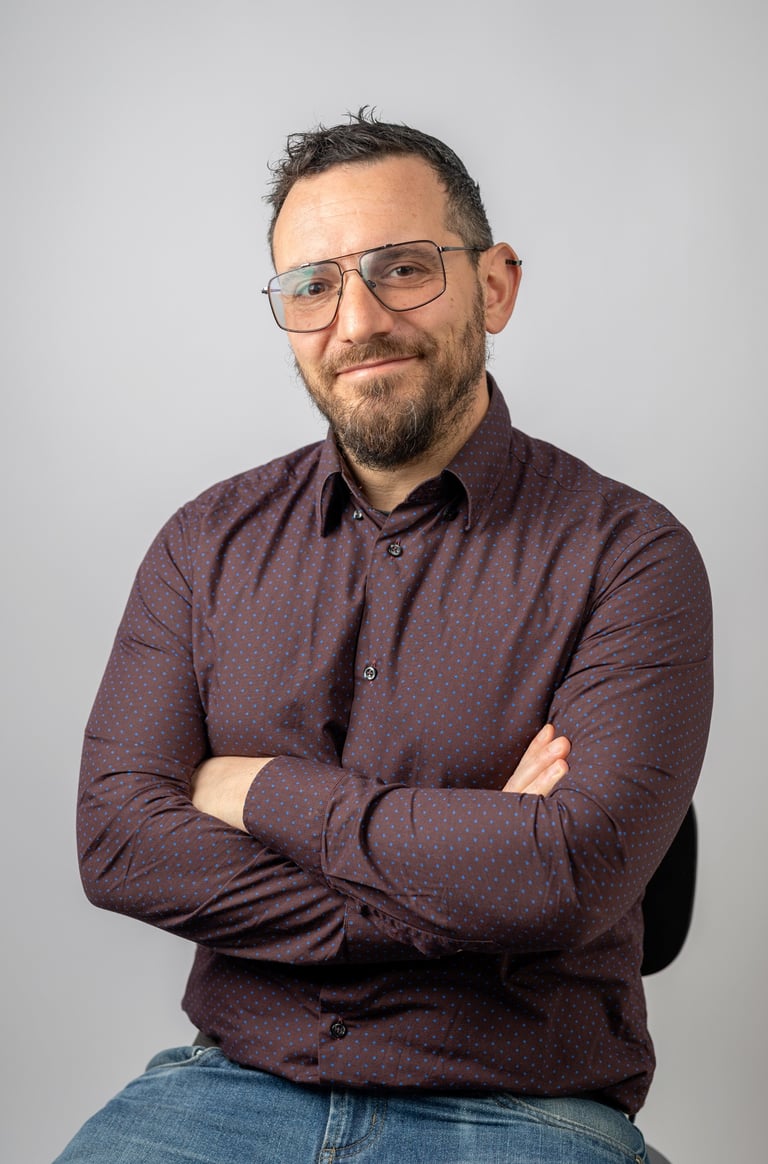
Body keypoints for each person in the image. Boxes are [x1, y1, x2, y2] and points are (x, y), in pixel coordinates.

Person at [55, 110, 712, 1163]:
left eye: (402, 269)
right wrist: (468, 884)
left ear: (494, 285)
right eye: (313, 285)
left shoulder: (631, 555)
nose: (357, 320)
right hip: (229, 1088)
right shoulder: (203, 544)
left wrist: (256, 790)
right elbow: (119, 842)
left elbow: (568, 874)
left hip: (520, 1108)